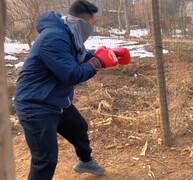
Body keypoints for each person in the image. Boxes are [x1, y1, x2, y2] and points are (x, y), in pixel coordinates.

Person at [14, 0, 131, 179]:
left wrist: (109, 53)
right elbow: (72, 74)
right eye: (93, 24)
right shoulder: (54, 38)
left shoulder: (67, 33)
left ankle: (85, 162)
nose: (94, 28)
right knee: (45, 160)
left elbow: (78, 56)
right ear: (81, 23)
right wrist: (99, 61)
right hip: (36, 106)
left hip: (55, 101)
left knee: (79, 127)